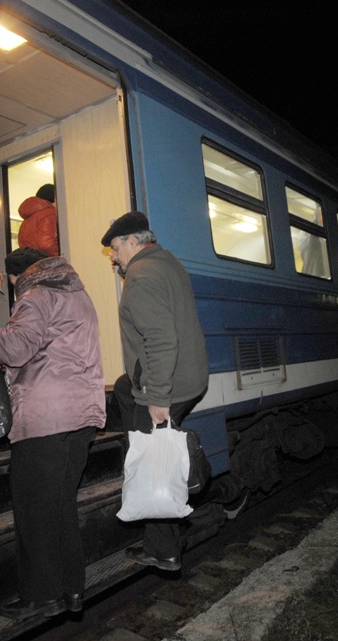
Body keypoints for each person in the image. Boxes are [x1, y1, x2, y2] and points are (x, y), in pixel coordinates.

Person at [0, 247, 105, 621]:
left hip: (46, 418)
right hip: (81, 417)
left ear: (16, 275)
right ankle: (72, 589)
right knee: (61, 508)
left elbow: (16, 348)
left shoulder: (35, 294)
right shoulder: (78, 294)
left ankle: (42, 596)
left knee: (34, 511)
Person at [100, 210, 208, 572]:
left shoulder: (141, 276)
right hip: (189, 377)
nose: (113, 256)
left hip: (169, 385)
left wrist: (157, 399)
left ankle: (163, 551)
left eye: (115, 248)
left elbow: (161, 340)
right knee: (121, 387)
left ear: (133, 241)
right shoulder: (165, 261)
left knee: (152, 460)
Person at [18, 183, 60, 256]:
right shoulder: (49, 213)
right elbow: (47, 244)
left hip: (32, 262)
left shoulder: (28, 219)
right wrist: (63, 255)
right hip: (46, 262)